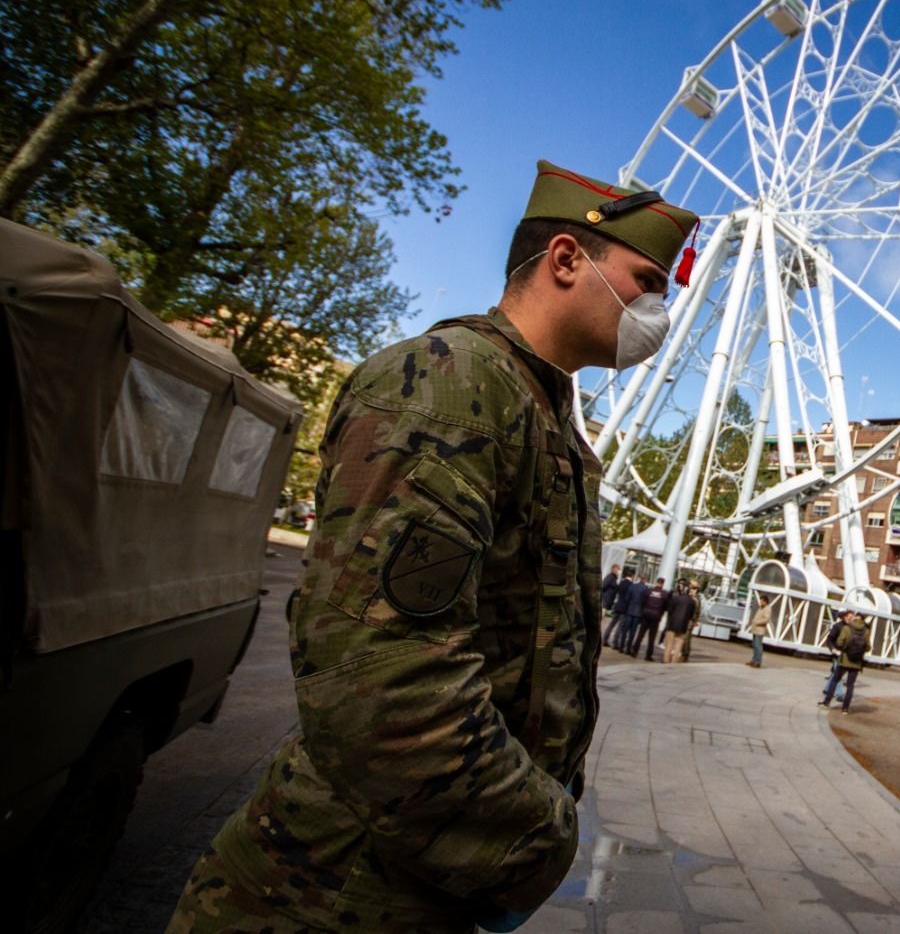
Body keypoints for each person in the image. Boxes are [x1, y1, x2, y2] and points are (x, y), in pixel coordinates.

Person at [165, 160, 696, 934]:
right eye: (647, 282)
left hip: (411, 879)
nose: (658, 310)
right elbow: (380, 677)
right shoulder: (452, 388)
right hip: (330, 893)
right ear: (565, 259)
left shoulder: (536, 412)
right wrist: (532, 841)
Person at [820, 610, 870, 713]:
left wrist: (843, 648)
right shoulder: (866, 631)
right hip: (857, 662)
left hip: (845, 659)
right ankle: (845, 708)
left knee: (835, 680)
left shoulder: (847, 628)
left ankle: (826, 702)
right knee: (850, 685)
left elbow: (839, 643)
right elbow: (868, 647)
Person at [819, 609, 854, 706]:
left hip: (845, 654)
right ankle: (839, 694)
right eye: (849, 617)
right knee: (838, 674)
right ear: (844, 617)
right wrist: (833, 649)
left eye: (852, 618)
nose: (851, 619)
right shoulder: (838, 626)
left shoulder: (851, 628)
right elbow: (829, 639)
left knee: (835, 673)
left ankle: (827, 689)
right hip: (837, 653)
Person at [630, 577, 670, 660]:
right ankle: (648, 655)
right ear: (663, 584)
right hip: (656, 616)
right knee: (652, 637)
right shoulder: (665, 594)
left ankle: (634, 651)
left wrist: (643, 610)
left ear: (656, 582)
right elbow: (666, 606)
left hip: (646, 614)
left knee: (641, 634)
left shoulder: (649, 591)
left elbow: (643, 601)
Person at [662, 580, 696, 664]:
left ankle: (666, 659)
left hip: (672, 623)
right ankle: (674, 660)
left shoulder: (676, 598)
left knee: (669, 643)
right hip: (683, 625)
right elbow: (691, 615)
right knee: (678, 644)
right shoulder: (692, 602)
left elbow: (670, 610)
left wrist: (669, 620)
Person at [603, 566, 636, 648]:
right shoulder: (632, 585)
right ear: (633, 575)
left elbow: (616, 593)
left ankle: (605, 639)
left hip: (618, 606)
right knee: (620, 626)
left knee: (612, 624)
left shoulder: (621, 583)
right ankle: (615, 642)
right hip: (625, 608)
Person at [618, 567, 649, 653]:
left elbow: (627, 598)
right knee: (633, 631)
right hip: (638, 613)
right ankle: (628, 648)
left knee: (625, 629)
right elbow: (645, 601)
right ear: (645, 579)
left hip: (630, 610)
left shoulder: (633, 586)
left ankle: (621, 646)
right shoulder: (646, 589)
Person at [747, 594, 772, 667]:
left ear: (765, 602)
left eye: (761, 601)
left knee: (758, 646)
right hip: (755, 629)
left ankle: (758, 661)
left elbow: (766, 619)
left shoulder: (768, 609)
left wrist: (757, 622)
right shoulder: (761, 608)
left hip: (760, 630)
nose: (760, 602)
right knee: (754, 645)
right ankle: (753, 660)